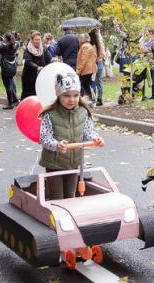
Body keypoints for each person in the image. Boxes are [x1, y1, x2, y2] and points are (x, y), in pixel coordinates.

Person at [38, 70, 104, 200]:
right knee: (57, 196)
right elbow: (44, 137)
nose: (72, 99)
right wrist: (56, 145)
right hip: (54, 163)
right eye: (66, 95)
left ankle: (69, 219)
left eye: (75, 95)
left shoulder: (83, 112)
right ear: (59, 95)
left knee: (70, 196)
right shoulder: (50, 115)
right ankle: (56, 218)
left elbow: (88, 131)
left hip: (74, 162)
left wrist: (95, 138)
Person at [21, 31, 51, 100]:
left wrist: (53, 60)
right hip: (29, 78)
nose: (38, 41)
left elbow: (49, 58)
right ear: (32, 40)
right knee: (28, 97)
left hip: (40, 77)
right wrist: (37, 67)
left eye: (39, 39)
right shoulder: (28, 49)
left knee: (39, 97)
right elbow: (28, 62)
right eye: (36, 39)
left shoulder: (43, 48)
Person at [0, 33, 20, 110]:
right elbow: (17, 42)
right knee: (10, 85)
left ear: (6, 39)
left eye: (5, 38)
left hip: (5, 69)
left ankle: (10, 104)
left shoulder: (4, 46)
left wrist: (0, 42)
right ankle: (15, 99)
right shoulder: (15, 45)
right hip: (13, 68)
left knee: (7, 86)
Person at [76, 33, 97, 102]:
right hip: (89, 70)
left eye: (80, 38)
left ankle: (86, 100)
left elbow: (83, 60)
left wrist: (78, 70)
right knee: (86, 85)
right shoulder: (89, 46)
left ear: (84, 39)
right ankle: (90, 100)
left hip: (85, 70)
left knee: (82, 85)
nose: (79, 39)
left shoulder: (85, 46)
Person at [90, 27, 106, 106]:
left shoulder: (93, 44)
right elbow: (103, 54)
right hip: (100, 62)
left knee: (93, 81)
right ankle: (100, 99)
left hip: (95, 63)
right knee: (99, 81)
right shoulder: (101, 43)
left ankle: (93, 98)